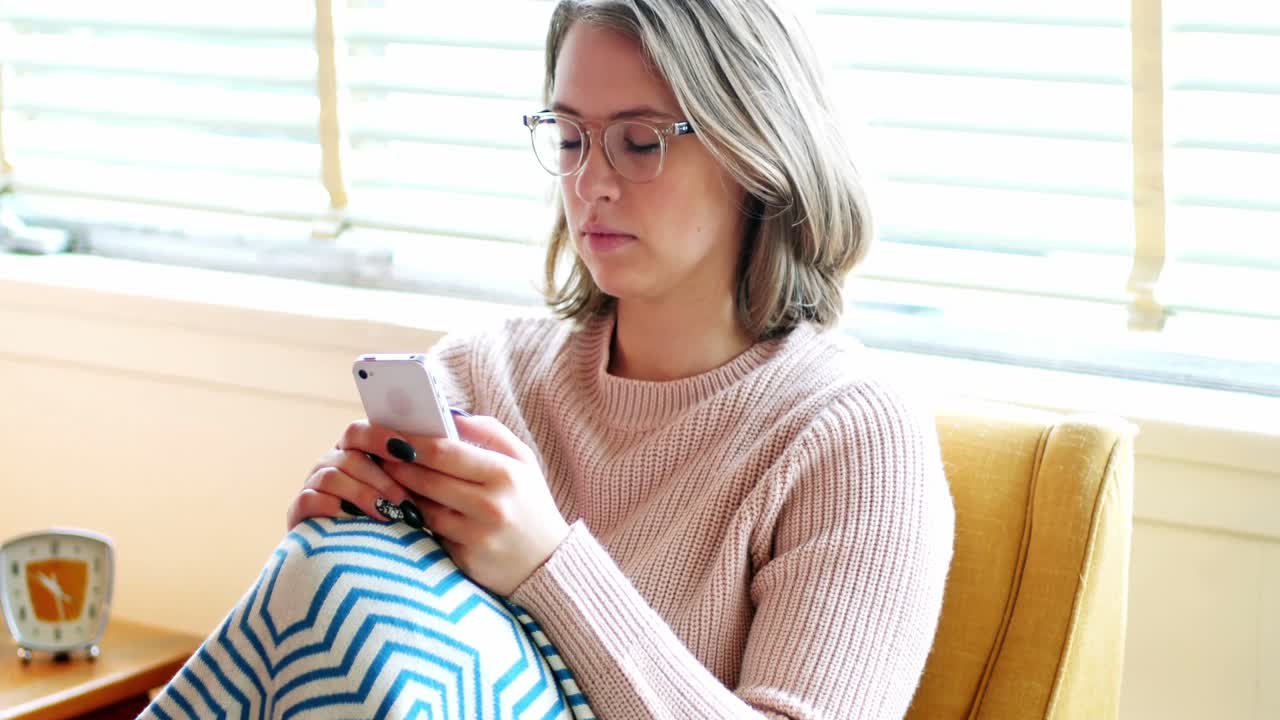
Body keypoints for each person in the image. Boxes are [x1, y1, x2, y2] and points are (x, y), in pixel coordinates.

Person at [149, 1, 954, 718]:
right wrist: (340, 556)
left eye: (639, 144)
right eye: (569, 138)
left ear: (758, 152)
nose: (590, 182)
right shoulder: (478, 375)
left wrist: (549, 566)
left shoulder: (854, 436)